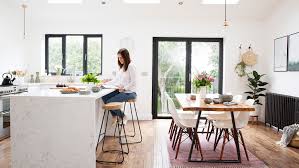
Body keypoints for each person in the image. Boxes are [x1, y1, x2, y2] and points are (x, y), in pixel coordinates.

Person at [101, 48, 137, 124]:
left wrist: (124, 88)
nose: (119, 59)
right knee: (104, 97)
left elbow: (134, 82)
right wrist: (104, 84)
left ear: (126, 57)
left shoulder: (131, 66)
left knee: (109, 101)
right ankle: (115, 116)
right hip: (121, 91)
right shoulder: (122, 67)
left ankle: (123, 116)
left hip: (130, 93)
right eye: (118, 58)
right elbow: (115, 80)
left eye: (121, 57)